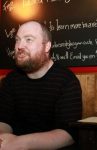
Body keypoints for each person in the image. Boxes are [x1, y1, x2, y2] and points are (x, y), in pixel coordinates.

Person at [0, 20, 82, 150]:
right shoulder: (11, 80)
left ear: (47, 46)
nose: (19, 46)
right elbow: (4, 121)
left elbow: (68, 135)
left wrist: (20, 143)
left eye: (29, 39)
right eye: (17, 40)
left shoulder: (66, 81)